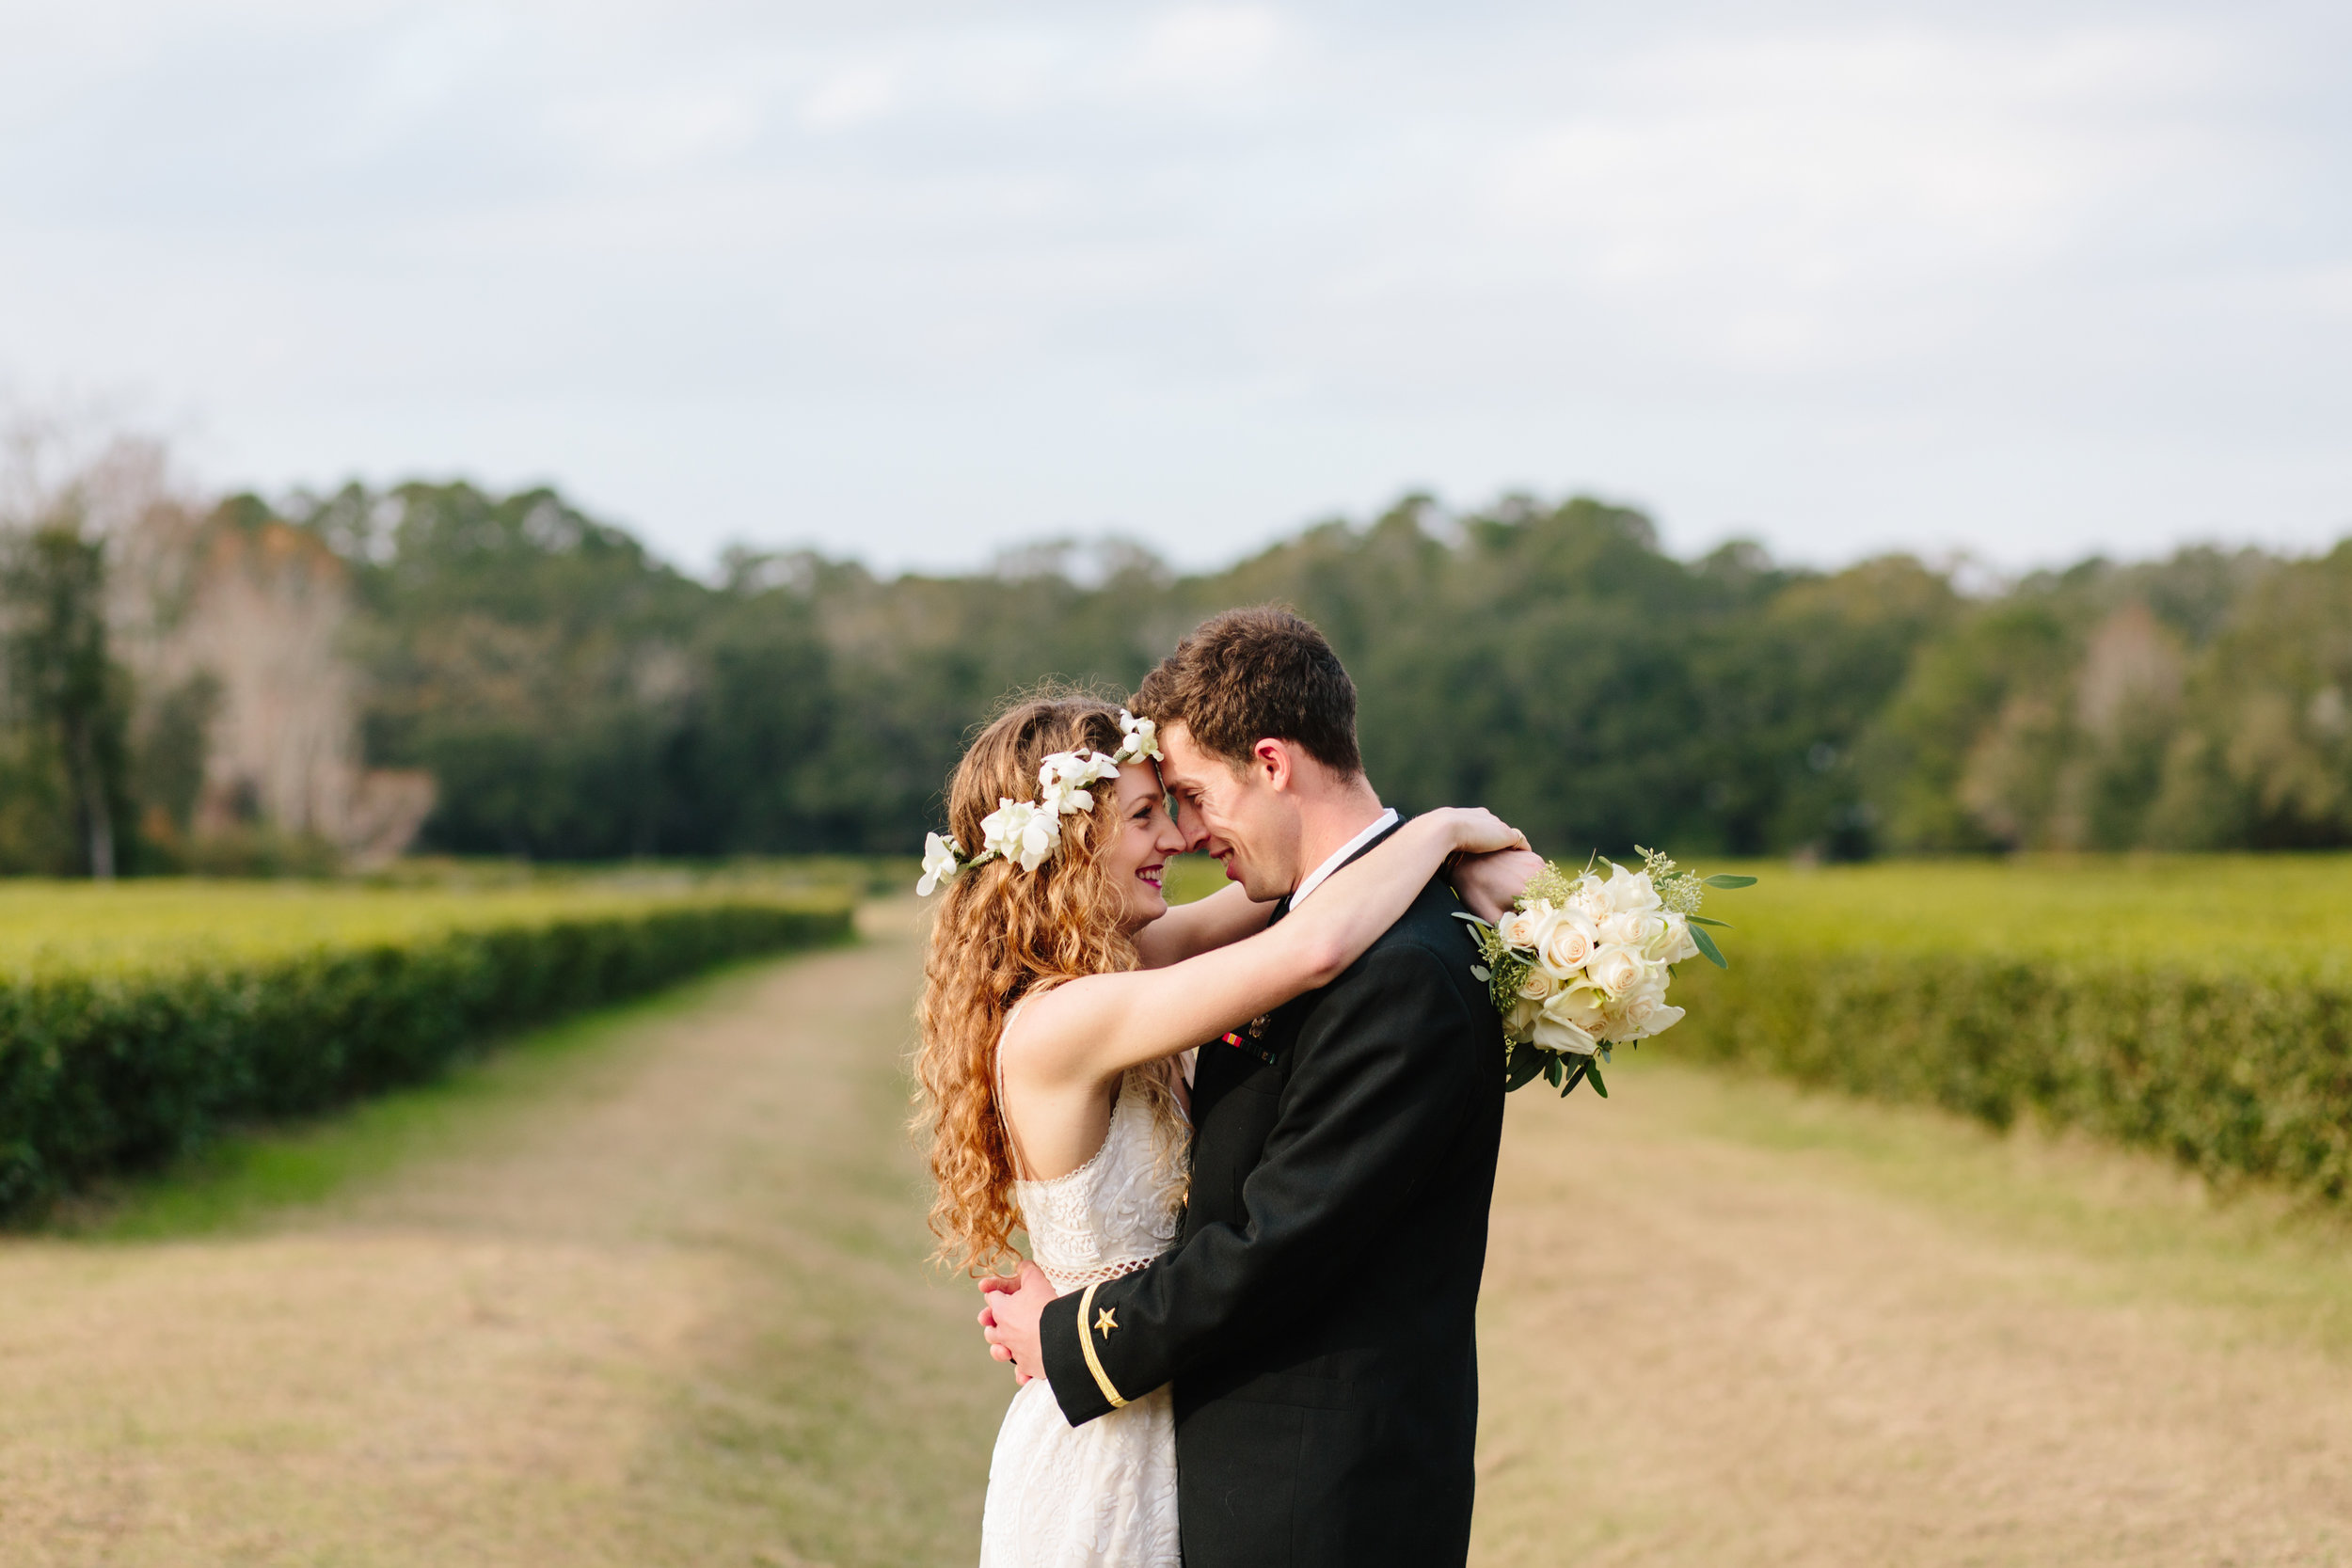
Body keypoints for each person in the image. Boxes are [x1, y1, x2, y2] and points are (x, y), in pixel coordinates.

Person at [932, 609, 1538, 1567]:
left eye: (1178, 799)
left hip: (1175, 1407)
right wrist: (1444, 829)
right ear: (1069, 844)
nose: (1174, 834)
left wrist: (1437, 858)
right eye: (1144, 812)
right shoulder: (1066, 1017)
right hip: (1117, 1424)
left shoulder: (1133, 963)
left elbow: (1285, 903)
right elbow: (1314, 941)